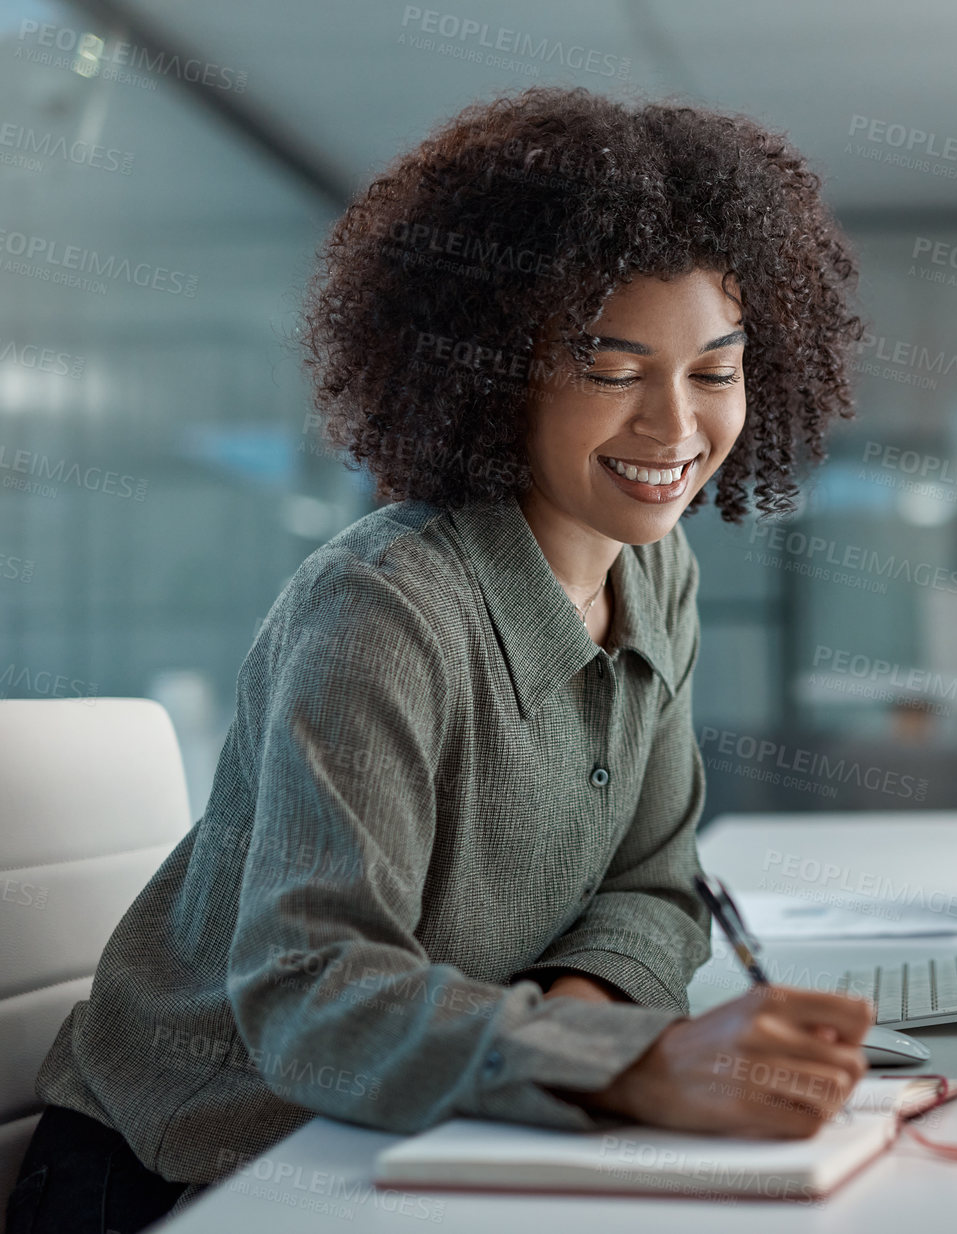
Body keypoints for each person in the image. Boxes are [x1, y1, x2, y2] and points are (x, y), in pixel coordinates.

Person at [6, 85, 871, 1233]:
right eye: (613, 369)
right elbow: (311, 993)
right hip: (191, 1178)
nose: (676, 430)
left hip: (409, 1139)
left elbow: (654, 886)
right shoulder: (382, 609)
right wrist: (626, 1063)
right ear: (500, 370)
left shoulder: (655, 575)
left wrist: (579, 1036)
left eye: (714, 371)